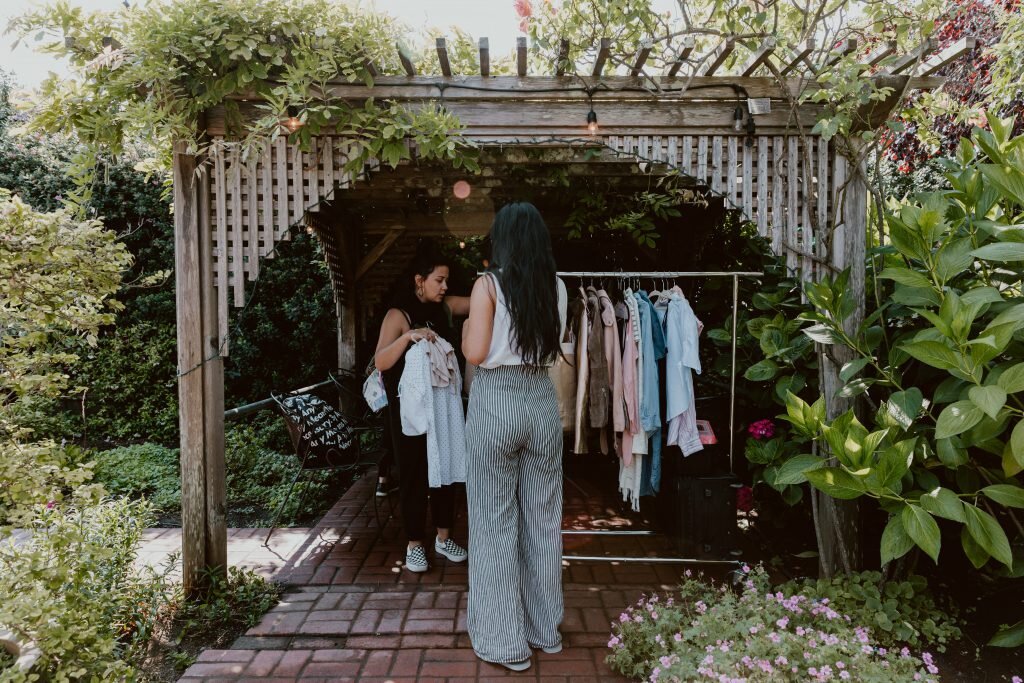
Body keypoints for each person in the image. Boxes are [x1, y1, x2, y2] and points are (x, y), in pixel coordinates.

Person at [461, 202, 568, 672]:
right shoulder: (558, 287)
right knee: (543, 522)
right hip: (541, 401)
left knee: (493, 523)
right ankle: (545, 630)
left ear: (502, 240)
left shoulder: (487, 285)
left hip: (496, 401)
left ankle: (507, 643)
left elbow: (477, 352)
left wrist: (467, 329)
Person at [374, 242, 471, 573]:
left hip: (443, 407)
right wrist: (407, 337)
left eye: (446, 281)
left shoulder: (444, 308)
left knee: (446, 471)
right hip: (409, 413)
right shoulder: (397, 315)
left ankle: (444, 538)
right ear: (419, 280)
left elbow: (481, 304)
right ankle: (415, 544)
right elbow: (381, 362)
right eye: (439, 280)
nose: (445, 287)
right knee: (414, 474)